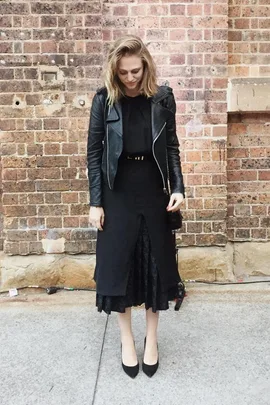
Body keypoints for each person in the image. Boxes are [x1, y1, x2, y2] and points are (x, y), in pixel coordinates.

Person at [87, 35, 185, 379]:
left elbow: (171, 145)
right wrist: (95, 202)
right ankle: (127, 340)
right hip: (117, 192)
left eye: (136, 71)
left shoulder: (162, 98)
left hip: (153, 189)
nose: (130, 78)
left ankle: (152, 340)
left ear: (146, 66)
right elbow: (95, 153)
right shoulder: (104, 100)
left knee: (156, 266)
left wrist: (178, 188)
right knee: (119, 268)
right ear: (115, 72)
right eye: (124, 72)